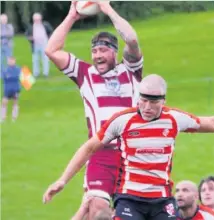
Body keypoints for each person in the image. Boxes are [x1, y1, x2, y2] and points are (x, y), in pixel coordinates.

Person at [43, 74, 214, 220]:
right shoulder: (121, 120)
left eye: (153, 102)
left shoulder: (174, 119)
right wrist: (63, 180)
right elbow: (88, 148)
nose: (147, 107)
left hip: (161, 200)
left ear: (164, 101)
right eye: (143, 100)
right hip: (129, 199)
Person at [44, 1, 143, 219]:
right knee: (96, 208)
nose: (97, 55)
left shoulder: (131, 71)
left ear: (115, 52)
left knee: (127, 213)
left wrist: (106, 8)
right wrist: (71, 16)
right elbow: (51, 50)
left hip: (132, 153)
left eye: (103, 50)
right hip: (101, 153)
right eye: (94, 51)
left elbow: (133, 40)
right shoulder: (85, 74)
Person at [25, 12, 53, 77]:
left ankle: (45, 73)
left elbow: (51, 32)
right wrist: (30, 38)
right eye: (35, 19)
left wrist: (49, 39)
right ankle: (36, 73)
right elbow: (27, 34)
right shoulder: (31, 27)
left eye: (38, 19)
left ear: (41, 19)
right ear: (33, 20)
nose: (37, 21)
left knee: (45, 59)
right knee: (35, 59)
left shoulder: (45, 25)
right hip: (35, 45)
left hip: (44, 44)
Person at [1, 56, 21, 122]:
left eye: (12, 60)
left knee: (15, 102)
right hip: (7, 89)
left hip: (16, 89)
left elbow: (21, 78)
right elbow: (5, 77)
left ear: (14, 61)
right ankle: (2, 118)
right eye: (9, 61)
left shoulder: (18, 69)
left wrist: (10, 77)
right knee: (4, 103)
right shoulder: (5, 70)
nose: (10, 62)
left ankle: (14, 118)